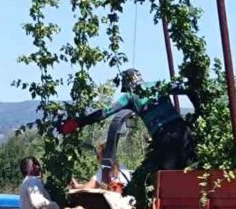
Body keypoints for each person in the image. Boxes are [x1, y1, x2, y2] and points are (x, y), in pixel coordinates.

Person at [59, 68, 197, 192]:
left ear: (127, 84)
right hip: (184, 133)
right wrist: (198, 111)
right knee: (194, 175)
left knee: (143, 182)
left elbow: (103, 113)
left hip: (164, 139)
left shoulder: (130, 96)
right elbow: (188, 88)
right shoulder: (158, 85)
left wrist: (76, 123)